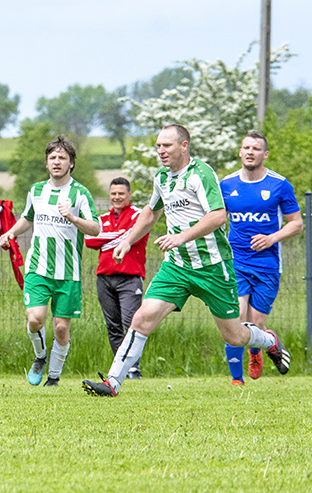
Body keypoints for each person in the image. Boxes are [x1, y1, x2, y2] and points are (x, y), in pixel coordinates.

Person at [82, 124, 290, 397]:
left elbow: (218, 216)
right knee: (142, 318)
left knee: (234, 336)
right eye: (158, 146)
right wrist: (127, 240)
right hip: (177, 267)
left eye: (166, 145)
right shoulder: (162, 178)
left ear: (184, 146)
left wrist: (181, 237)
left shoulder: (201, 173)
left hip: (212, 267)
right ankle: (112, 383)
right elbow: (151, 212)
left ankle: (268, 340)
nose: (161, 151)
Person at [0, 136, 100, 387]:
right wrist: (11, 232)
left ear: (71, 163)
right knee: (34, 319)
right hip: (38, 267)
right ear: (46, 163)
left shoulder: (80, 193)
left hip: (68, 272)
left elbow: (95, 228)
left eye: (62, 158)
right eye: (52, 157)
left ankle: (53, 377)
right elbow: (28, 218)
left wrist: (73, 218)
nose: (56, 161)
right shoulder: (36, 191)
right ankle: (40, 356)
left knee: (61, 329)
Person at [220, 132, 302, 384]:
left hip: (267, 264)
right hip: (236, 262)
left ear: (264, 154)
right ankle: (237, 380)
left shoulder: (279, 184)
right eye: (246, 147)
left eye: (256, 148)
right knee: (236, 317)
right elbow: (216, 219)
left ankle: (258, 350)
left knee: (256, 323)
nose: (250, 152)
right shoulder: (227, 184)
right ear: (240, 152)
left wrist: (271, 238)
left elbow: (296, 224)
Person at [84, 178, 149, 379]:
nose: (117, 197)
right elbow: (89, 239)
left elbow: (133, 236)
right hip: (104, 278)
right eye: (113, 193)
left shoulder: (139, 216)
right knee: (113, 326)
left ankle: (134, 369)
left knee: (131, 324)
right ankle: (121, 370)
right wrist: (120, 236)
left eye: (121, 193)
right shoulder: (102, 218)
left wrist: (110, 238)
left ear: (129, 194)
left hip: (130, 278)